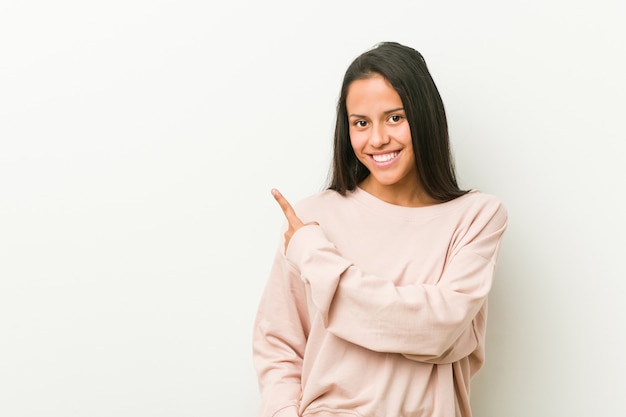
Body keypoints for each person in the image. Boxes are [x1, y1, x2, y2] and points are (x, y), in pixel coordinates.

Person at [252, 41, 508, 417]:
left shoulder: (476, 217)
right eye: (360, 123)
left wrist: (316, 260)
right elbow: (279, 345)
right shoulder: (312, 219)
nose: (377, 139)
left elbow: (436, 329)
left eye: (394, 118)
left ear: (424, 117)